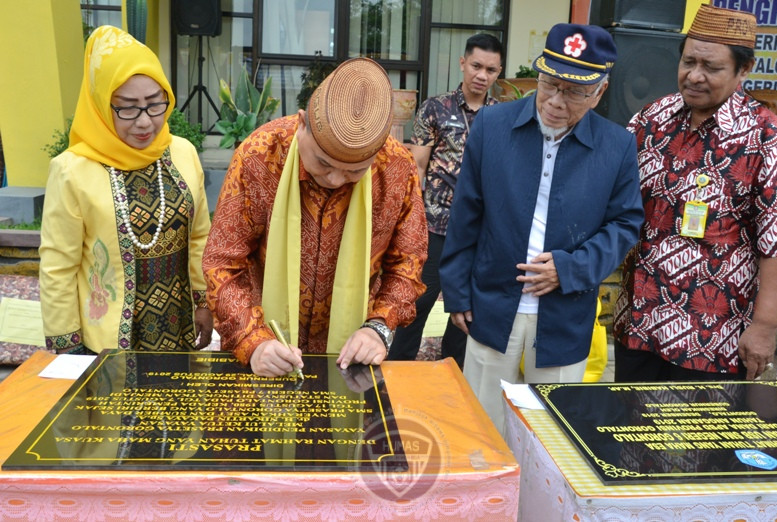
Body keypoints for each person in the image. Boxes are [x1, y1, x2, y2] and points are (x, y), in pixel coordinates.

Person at [439, 24, 644, 432]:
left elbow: (624, 224)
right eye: (549, 83)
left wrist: (569, 268)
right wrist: (457, 290)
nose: (553, 100)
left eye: (573, 91)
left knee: (553, 432)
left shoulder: (616, 145)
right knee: (482, 424)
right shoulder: (493, 127)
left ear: (599, 92)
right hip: (492, 301)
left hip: (564, 310)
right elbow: (467, 212)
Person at [203, 58, 427, 377]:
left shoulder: (397, 169)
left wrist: (378, 328)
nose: (335, 179)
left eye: (354, 171)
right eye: (323, 163)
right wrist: (252, 340)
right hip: (263, 354)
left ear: (377, 153)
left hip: (351, 357)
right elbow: (222, 262)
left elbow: (408, 262)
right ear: (303, 123)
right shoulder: (259, 155)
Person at [613, 5, 777, 382]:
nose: (694, 76)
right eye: (688, 62)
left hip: (716, 336)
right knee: (629, 433)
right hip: (641, 321)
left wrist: (764, 328)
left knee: (703, 439)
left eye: (711, 68)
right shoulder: (651, 120)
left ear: (743, 70)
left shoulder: (768, 139)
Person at [39, 25, 213, 355]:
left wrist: (204, 302)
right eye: (127, 107)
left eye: (154, 104)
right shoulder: (73, 170)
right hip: (108, 337)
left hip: (179, 326)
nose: (145, 122)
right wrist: (69, 343)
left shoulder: (183, 154)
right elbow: (58, 265)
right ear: (102, 105)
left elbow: (200, 237)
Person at [389, 33, 503, 367]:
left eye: (492, 70)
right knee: (417, 303)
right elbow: (418, 168)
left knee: (466, 309)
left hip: (479, 231)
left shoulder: (501, 117)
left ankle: (453, 378)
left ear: (499, 73)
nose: (482, 75)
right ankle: (398, 373)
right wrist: (410, 223)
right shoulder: (436, 109)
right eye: (477, 66)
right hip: (436, 226)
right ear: (463, 63)